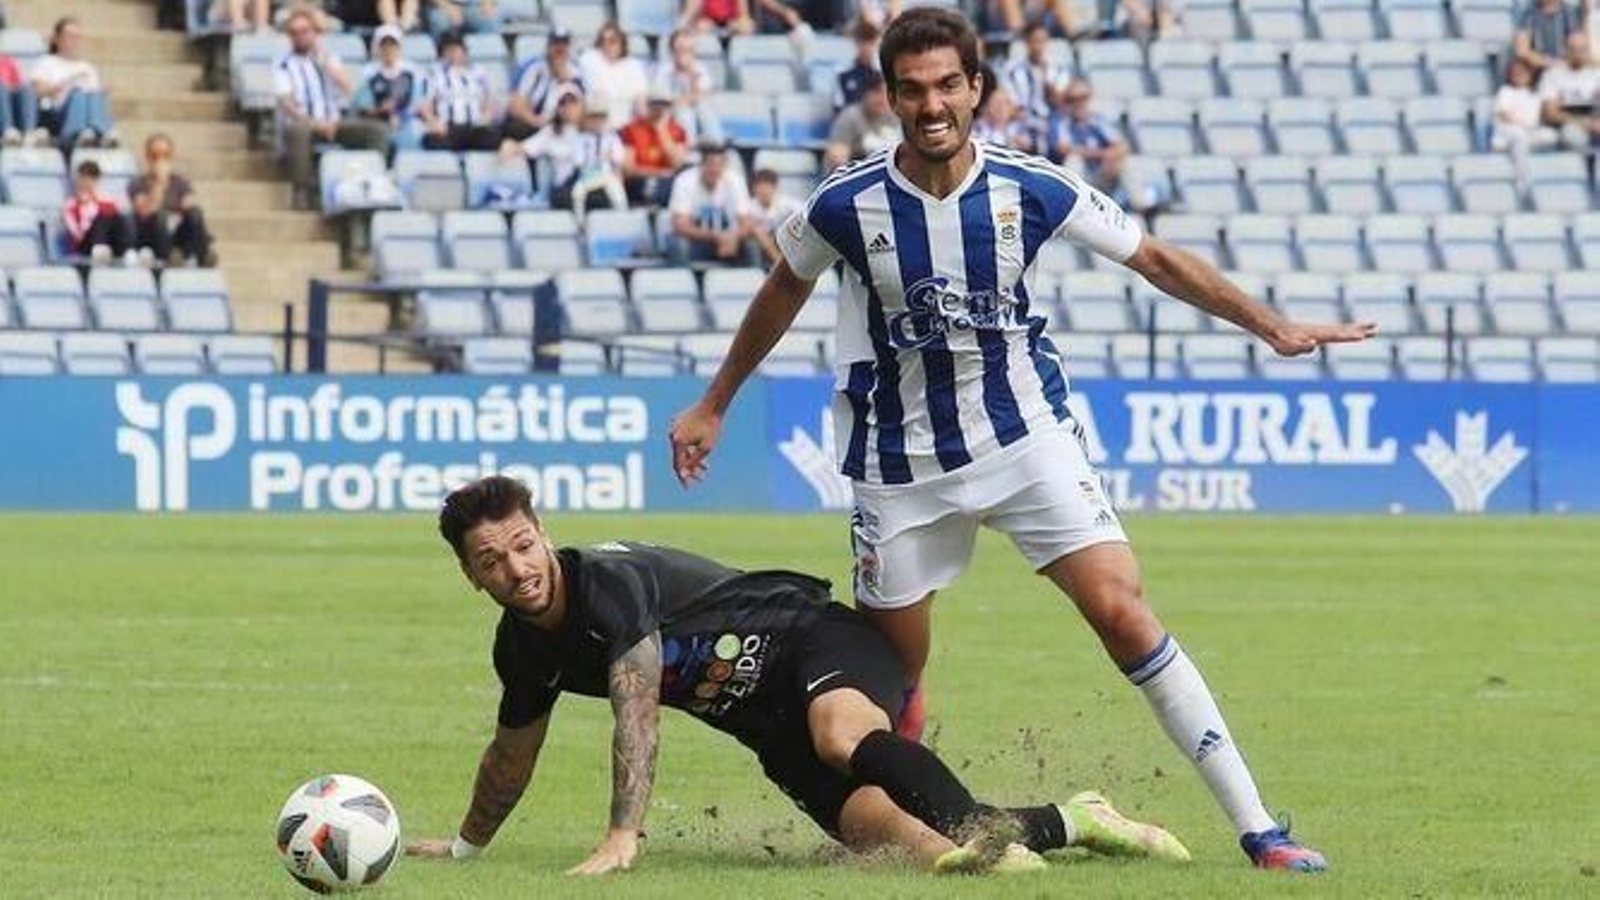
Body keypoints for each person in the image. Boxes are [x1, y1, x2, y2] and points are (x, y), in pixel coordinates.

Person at [668, 8, 1373, 874]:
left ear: (977, 88)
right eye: (914, 89)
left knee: (1123, 610)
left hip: (1025, 440)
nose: (933, 105)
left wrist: (1270, 325)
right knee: (892, 676)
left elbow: (1152, 257)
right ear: (891, 97)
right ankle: (915, 831)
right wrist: (715, 402)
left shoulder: (1031, 187)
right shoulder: (844, 204)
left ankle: (1261, 830)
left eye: (948, 86)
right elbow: (783, 288)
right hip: (900, 470)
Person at [402, 475, 1192, 876]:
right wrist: (469, 850)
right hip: (767, 729)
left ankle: (991, 837)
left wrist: (622, 835)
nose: (516, 568)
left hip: (814, 642)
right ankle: (1076, 818)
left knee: (842, 732)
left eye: (521, 546)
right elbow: (511, 755)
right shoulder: (522, 648)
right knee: (905, 846)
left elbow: (635, 709)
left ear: (544, 535)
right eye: (491, 562)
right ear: (473, 578)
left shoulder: (606, 584)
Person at [275, 6, 389, 208]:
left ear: (315, 34)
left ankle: (376, 181)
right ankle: (303, 190)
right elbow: (288, 105)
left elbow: (351, 91)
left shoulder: (329, 58)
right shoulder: (283, 65)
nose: (299, 37)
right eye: (294, 33)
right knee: (297, 131)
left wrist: (328, 67)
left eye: (304, 31)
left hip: (336, 122)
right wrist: (317, 124)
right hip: (306, 124)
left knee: (376, 130)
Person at [509, 95, 628, 220]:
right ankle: (580, 226)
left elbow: (617, 162)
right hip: (574, 182)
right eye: (564, 104)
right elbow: (527, 147)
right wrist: (510, 145)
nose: (569, 108)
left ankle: (620, 223)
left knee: (613, 194)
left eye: (573, 103)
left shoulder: (609, 137)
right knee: (574, 196)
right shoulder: (552, 132)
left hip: (600, 180)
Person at [129, 134, 216, 267]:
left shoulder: (179, 181)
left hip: (176, 232)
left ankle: (203, 255)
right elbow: (144, 213)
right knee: (159, 216)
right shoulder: (138, 183)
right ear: (147, 157)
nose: (160, 160)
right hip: (151, 236)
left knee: (195, 212)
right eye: (155, 155)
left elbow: (189, 206)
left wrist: (184, 211)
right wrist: (160, 183)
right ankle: (169, 256)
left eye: (165, 155)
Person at [30, 16, 116, 148]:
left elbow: (93, 92)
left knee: (95, 94)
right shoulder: (45, 62)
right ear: (57, 38)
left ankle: (98, 132)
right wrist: (58, 87)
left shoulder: (87, 67)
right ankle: (75, 132)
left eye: (77, 37)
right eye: (69, 36)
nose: (74, 41)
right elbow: (37, 91)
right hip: (57, 115)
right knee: (78, 93)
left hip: (87, 115)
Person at [668, 140, 752, 264]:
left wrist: (731, 236)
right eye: (711, 164)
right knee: (679, 245)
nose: (715, 169)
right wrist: (715, 236)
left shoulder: (735, 181)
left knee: (751, 246)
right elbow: (680, 226)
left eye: (720, 165)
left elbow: (746, 224)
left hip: (728, 238)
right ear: (701, 165)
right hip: (695, 240)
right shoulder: (685, 180)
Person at [419, 32, 501, 152]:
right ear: (442, 53)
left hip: (474, 127)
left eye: (456, 49)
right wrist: (433, 122)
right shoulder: (433, 73)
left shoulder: (478, 73)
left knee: (492, 138)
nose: (453, 54)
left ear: (464, 51)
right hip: (447, 127)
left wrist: (486, 117)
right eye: (448, 50)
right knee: (432, 141)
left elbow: (489, 101)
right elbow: (426, 105)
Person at [504, 27, 583, 142]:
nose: (560, 49)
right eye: (556, 44)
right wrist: (536, 121)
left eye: (564, 44)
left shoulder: (576, 72)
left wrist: (566, 82)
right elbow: (515, 105)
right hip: (532, 125)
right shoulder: (533, 68)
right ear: (548, 46)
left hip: (562, 127)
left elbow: (581, 109)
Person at [355, 25, 422, 151]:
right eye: (384, 45)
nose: (388, 49)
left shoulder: (411, 72)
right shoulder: (368, 74)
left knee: (413, 130)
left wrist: (400, 115)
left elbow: (417, 104)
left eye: (392, 45)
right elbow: (364, 106)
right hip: (377, 121)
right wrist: (382, 110)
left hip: (406, 120)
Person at [1494, 58, 1560, 183]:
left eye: (1523, 73)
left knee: (1552, 135)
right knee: (1520, 137)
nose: (1519, 76)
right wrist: (1521, 124)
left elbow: (1541, 117)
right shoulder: (1505, 91)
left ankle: (1551, 177)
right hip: (1509, 131)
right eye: (1515, 73)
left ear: (1530, 75)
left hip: (1531, 131)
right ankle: (1522, 180)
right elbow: (1503, 114)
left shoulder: (1535, 95)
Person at [619, 89, 689, 206]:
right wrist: (658, 173)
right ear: (648, 105)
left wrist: (662, 131)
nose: (659, 109)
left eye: (664, 105)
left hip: (667, 182)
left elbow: (677, 164)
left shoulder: (677, 130)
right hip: (640, 181)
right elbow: (628, 168)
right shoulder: (631, 129)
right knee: (650, 188)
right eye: (655, 104)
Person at [579, 22, 651, 130]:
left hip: (627, 129)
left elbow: (640, 103)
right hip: (598, 127)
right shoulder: (590, 60)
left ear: (622, 43)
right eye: (602, 41)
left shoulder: (633, 66)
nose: (606, 45)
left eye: (612, 41)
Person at [1050, 77, 1126, 178]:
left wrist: (1111, 157)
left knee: (1128, 164)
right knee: (1073, 160)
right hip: (1077, 180)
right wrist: (1102, 154)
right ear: (1066, 102)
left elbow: (1121, 145)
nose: (1079, 103)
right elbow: (1063, 148)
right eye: (1072, 99)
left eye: (1083, 97)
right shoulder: (1060, 121)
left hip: (1101, 175)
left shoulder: (1097, 119)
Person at [823, 70, 899, 170]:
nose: (882, 98)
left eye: (886, 93)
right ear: (864, 94)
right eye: (877, 92)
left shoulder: (896, 116)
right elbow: (836, 157)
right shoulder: (850, 117)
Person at [652, 28, 719, 140]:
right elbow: (664, 101)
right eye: (680, 49)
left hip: (697, 112)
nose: (684, 54)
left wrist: (691, 77)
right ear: (672, 51)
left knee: (705, 109)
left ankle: (717, 147)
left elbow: (703, 96)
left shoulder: (699, 67)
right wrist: (685, 100)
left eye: (688, 50)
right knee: (685, 113)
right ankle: (690, 154)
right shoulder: (664, 70)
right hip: (671, 114)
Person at [1538, 31, 1600, 149]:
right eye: (1573, 49)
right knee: (1574, 138)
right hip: (1568, 125)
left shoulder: (1596, 73)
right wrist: (1583, 122)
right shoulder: (1553, 74)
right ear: (1566, 49)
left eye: (1582, 49)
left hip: (1594, 121)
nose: (1578, 53)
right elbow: (1550, 113)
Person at [1004, 22, 1069, 129]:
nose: (1038, 46)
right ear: (1026, 42)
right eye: (1034, 41)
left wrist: (1045, 77)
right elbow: (1011, 103)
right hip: (1022, 122)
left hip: (1052, 121)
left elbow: (1060, 103)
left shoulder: (1059, 67)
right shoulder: (1011, 70)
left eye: (1042, 41)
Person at [63, 160, 129, 264]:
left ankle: (125, 254)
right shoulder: (71, 206)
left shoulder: (109, 202)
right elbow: (77, 236)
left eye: (91, 179)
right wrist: (86, 209)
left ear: (97, 181)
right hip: (84, 248)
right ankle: (99, 251)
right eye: (83, 178)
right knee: (100, 219)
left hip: (109, 246)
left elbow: (117, 228)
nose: (86, 183)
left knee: (119, 218)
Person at [744, 168, 803, 265]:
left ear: (775, 187)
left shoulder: (787, 203)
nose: (763, 190)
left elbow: (804, 216)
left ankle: (782, 265)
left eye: (767, 186)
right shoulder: (749, 205)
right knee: (754, 239)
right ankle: (777, 266)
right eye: (759, 186)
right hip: (760, 245)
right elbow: (745, 230)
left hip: (784, 239)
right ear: (753, 188)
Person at [1515, 0, 1588, 75]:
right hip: (1538, 70)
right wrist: (1550, 63)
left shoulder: (1569, 11)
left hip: (1567, 69)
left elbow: (1577, 44)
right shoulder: (1529, 12)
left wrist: (1567, 63)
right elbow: (1522, 51)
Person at [972, 86, 1046, 154]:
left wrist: (1026, 146)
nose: (1000, 108)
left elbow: (1040, 146)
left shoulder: (1019, 128)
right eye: (996, 103)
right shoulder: (978, 129)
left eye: (1005, 103)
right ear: (988, 107)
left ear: (1011, 108)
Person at [833, 18, 881, 112]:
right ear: (856, 43)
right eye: (863, 42)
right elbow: (838, 108)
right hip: (852, 122)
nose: (867, 47)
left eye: (871, 42)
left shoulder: (884, 72)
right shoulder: (842, 73)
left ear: (876, 43)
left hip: (880, 122)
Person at [0, 48, 40, 147]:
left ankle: (29, 132)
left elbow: (17, 85)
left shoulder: (7, 62)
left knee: (26, 88)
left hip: (10, 106)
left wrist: (8, 89)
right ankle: (7, 131)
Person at [424, 0, 500, 38]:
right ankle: (444, 60)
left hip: (473, 5)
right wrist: (447, 7)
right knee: (439, 21)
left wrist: (487, 2)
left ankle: (483, 64)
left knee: (489, 20)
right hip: (442, 7)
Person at [679, 0, 756, 34]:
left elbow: (744, 15)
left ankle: (738, 62)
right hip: (708, 21)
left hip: (732, 21)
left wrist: (734, 25)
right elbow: (690, 12)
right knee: (702, 26)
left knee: (746, 27)